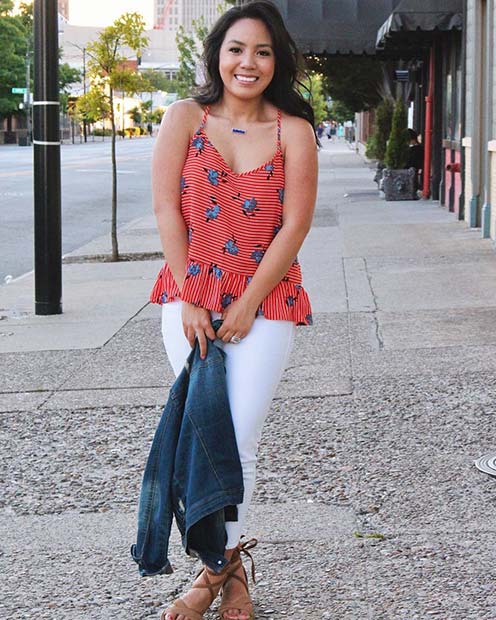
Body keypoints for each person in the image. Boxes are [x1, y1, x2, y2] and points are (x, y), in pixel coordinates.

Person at [149, 1, 317, 619]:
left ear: (278, 62)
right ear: (218, 55)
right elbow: (168, 211)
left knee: (237, 437)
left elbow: (294, 227)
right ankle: (229, 573)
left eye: (263, 51)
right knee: (206, 431)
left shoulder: (293, 131)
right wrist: (192, 293)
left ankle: (209, 577)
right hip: (188, 301)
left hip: (266, 302)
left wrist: (247, 303)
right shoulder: (183, 119)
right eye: (237, 49)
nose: (248, 62)